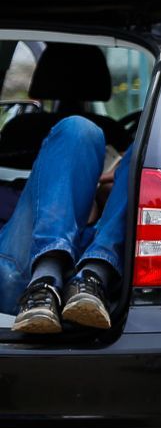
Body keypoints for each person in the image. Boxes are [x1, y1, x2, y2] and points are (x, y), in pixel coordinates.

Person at [2, 115, 131, 334]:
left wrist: (112, 189)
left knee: (145, 151)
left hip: (98, 284)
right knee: (79, 129)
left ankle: (91, 278)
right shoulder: (13, 191)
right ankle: (44, 281)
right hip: (18, 272)